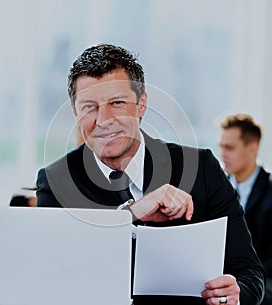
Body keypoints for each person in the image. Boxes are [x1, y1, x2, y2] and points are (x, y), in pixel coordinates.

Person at [36, 43, 265, 305]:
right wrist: (131, 214)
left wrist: (234, 295)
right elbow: (56, 278)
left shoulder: (201, 168)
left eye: (117, 103)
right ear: (76, 113)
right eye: (89, 106)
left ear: (141, 105)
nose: (103, 120)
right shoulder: (56, 181)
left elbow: (250, 274)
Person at [220, 113, 272, 305]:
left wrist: (244, 284)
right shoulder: (217, 190)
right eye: (222, 146)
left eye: (230, 148)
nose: (223, 154)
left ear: (252, 149)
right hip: (221, 282)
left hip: (263, 284)